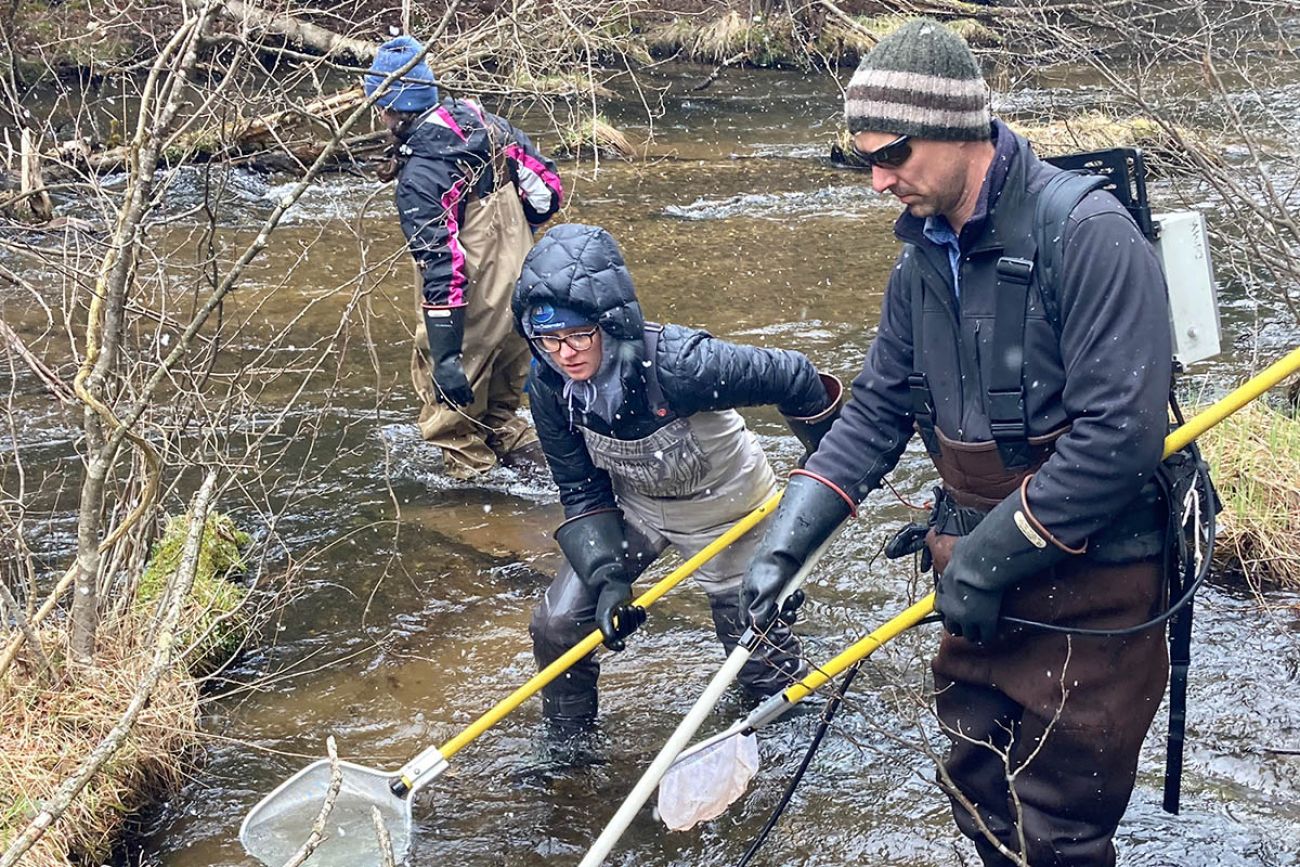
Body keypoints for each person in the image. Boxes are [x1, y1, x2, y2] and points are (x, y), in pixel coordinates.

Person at [740, 19, 1174, 867]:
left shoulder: (1088, 234)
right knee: (976, 790)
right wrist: (787, 541)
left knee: (1061, 829)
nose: (876, 179)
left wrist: (985, 559)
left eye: (892, 153)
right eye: (862, 157)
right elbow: (872, 415)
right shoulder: (920, 259)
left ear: (959, 128)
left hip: (1097, 583)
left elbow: (1121, 437)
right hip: (979, 571)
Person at [512, 223, 843, 734]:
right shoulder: (550, 385)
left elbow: (796, 376)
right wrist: (607, 579)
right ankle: (568, 746)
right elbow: (581, 489)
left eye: (580, 335)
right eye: (549, 341)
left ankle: (802, 743)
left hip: (730, 506)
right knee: (558, 626)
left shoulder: (683, 364)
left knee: (760, 668)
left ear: (610, 322)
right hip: (638, 507)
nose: (566, 354)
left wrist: (827, 476)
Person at [364, 35, 564, 479]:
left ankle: (478, 516)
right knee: (501, 411)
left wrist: (446, 354)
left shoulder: (420, 173)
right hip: (524, 280)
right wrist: (516, 236)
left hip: (468, 299)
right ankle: (547, 488)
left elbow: (441, 264)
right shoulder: (489, 126)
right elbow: (548, 192)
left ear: (389, 106)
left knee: (453, 426)